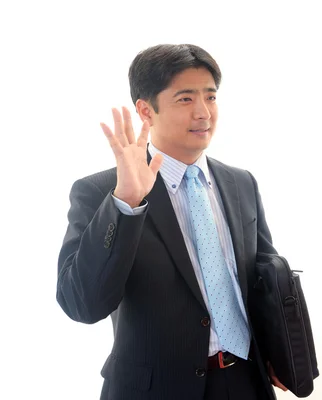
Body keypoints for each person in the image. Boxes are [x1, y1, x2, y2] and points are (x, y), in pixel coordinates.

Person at [56, 44, 287, 400]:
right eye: (185, 99)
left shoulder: (241, 183)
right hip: (155, 389)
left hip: (246, 382)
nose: (203, 113)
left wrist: (276, 350)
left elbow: (260, 278)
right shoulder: (101, 192)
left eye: (210, 97)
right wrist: (125, 203)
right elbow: (81, 305)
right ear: (146, 110)